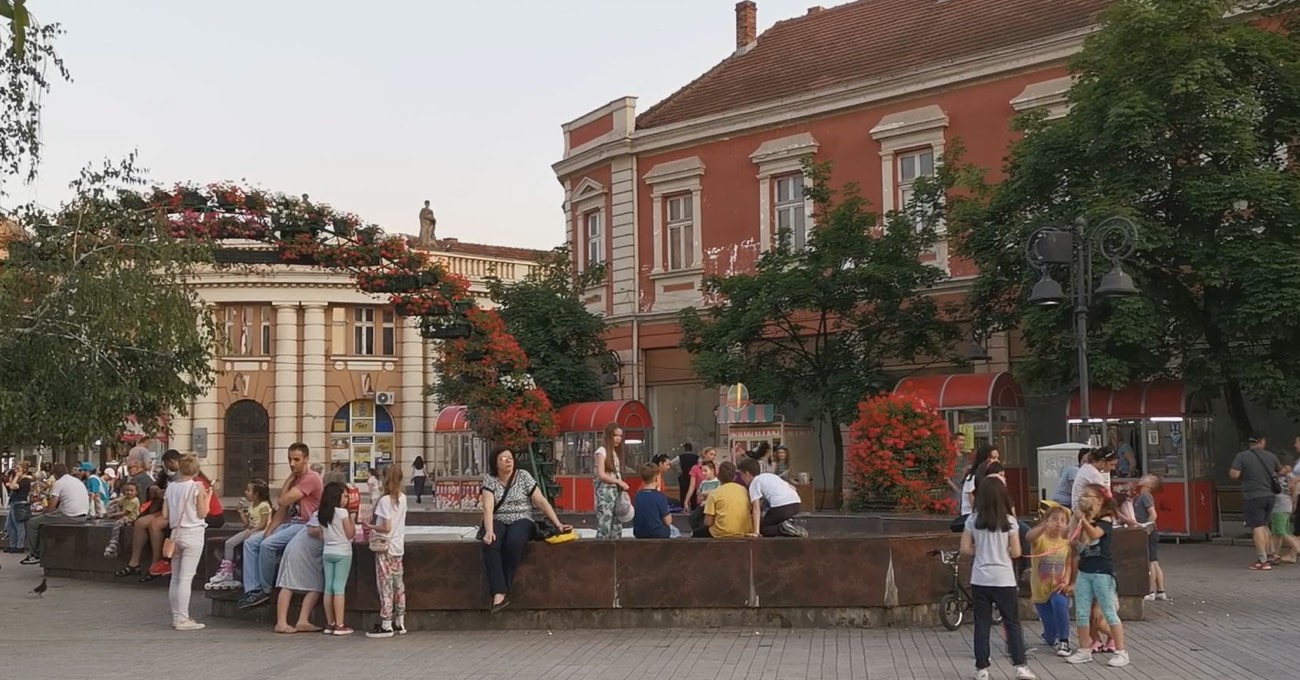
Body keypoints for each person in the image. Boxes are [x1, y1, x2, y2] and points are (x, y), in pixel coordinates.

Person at [961, 476, 1035, 680]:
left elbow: (965, 548)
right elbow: (1016, 552)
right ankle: (1020, 666)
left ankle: (982, 669)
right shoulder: (1010, 522)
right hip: (1004, 579)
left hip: (980, 579)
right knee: (1012, 623)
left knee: (982, 624)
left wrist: (981, 547)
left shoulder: (972, 520)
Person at [479, 446, 570, 613]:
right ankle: (499, 593)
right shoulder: (490, 479)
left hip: (522, 518)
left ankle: (502, 589)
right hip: (498, 519)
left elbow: (541, 501)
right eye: (503, 459)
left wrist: (558, 524)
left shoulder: (523, 476)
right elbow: (488, 506)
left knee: (514, 542)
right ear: (495, 463)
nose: (508, 462)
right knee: (491, 546)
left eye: (510, 458)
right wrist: (489, 531)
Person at [239, 442, 324, 609]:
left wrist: (289, 479)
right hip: (289, 523)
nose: (292, 463)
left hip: (305, 525)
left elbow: (282, 500)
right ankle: (252, 589)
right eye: (290, 459)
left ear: (306, 459)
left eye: (297, 459)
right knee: (251, 543)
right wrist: (269, 530)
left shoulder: (311, 479)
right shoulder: (296, 478)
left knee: (267, 545)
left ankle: (265, 589)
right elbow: (282, 510)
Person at [1063, 483, 1130, 667]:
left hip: (1102, 572)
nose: (1083, 499)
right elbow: (1076, 541)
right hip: (1085, 571)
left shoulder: (1106, 519)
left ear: (1099, 500)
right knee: (1081, 612)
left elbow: (1093, 535)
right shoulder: (1084, 519)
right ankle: (1084, 649)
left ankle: (1121, 651)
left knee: (1108, 612)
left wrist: (1083, 520)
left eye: (1087, 495)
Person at [161, 453, 211, 631]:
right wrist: (208, 497)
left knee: (175, 578)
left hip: (175, 534)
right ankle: (183, 619)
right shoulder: (197, 486)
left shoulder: (171, 487)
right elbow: (203, 513)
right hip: (193, 533)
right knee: (186, 578)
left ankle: (176, 615)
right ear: (196, 469)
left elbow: (165, 515)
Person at [365, 465, 411, 637]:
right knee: (399, 584)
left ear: (384, 478)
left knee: (385, 584)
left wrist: (370, 526)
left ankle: (386, 623)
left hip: (385, 547)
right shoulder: (404, 498)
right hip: (398, 547)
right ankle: (400, 621)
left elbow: (386, 526)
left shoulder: (384, 500)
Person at [1229, 432, 1282, 570]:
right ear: (1262, 441)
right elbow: (1281, 471)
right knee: (1264, 525)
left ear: (1250, 443)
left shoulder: (1242, 456)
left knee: (1257, 527)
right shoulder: (1271, 456)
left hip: (1253, 496)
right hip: (1270, 495)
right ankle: (1272, 554)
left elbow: (1234, 474)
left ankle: (1262, 560)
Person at [1026, 504, 1073, 657]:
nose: (1059, 523)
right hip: (1040, 588)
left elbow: (1069, 563)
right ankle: (1049, 634)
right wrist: (1043, 526)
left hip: (1057, 586)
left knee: (1060, 604)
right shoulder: (1040, 540)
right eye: (1054, 519)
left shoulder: (1067, 542)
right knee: (1050, 634)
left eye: (1062, 520)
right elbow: (1029, 536)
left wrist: (1066, 580)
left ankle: (1064, 641)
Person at [207, 479, 271, 590]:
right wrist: (241, 513)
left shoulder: (264, 506)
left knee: (248, 543)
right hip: (250, 530)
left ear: (256, 494)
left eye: (248, 490)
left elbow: (263, 524)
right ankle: (227, 571)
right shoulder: (251, 505)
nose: (245, 492)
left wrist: (252, 531)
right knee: (229, 543)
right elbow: (247, 523)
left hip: (260, 531)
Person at [21, 463, 89, 565]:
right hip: (83, 515)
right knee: (44, 519)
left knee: (33, 523)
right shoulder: (76, 481)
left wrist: (43, 512)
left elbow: (51, 507)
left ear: (55, 474)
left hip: (69, 516)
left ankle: (34, 554)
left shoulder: (59, 483)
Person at [314, 481, 356, 635]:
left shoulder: (321, 514)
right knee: (339, 588)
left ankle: (330, 623)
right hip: (343, 552)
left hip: (327, 551)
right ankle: (340, 624)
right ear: (337, 497)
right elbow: (350, 534)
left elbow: (320, 535)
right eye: (345, 496)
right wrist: (352, 518)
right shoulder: (343, 513)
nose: (347, 499)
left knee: (328, 587)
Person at [736, 457, 807, 537]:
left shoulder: (754, 483)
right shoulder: (769, 475)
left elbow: (756, 508)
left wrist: (756, 532)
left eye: (741, 474)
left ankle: (782, 528)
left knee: (764, 528)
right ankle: (789, 525)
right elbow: (793, 488)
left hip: (781, 507)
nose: (741, 478)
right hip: (796, 503)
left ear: (747, 474)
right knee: (773, 519)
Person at [593, 422, 629, 540]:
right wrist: (618, 481)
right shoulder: (602, 451)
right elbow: (601, 474)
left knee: (617, 525)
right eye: (615, 435)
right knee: (605, 524)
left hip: (616, 492)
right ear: (609, 436)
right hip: (605, 492)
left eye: (620, 436)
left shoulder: (615, 452)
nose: (618, 439)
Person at [1133, 474, 1167, 601]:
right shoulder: (1143, 496)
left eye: (1146, 478)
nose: (1142, 478)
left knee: (1149, 561)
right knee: (1154, 560)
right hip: (1152, 531)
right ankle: (1160, 590)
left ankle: (1150, 590)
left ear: (1150, 485)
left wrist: (1146, 527)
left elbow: (1153, 514)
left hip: (1148, 531)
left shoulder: (1144, 496)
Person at [699, 461, 752, 538]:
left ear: (718, 476)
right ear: (735, 477)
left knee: (696, 534)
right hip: (743, 531)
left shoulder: (714, 493)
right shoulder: (744, 490)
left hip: (720, 533)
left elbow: (708, 522)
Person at [632, 463, 678, 539]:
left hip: (639, 533)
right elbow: (668, 521)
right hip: (658, 533)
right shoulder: (660, 496)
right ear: (656, 478)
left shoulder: (638, 495)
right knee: (676, 532)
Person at [102, 482, 142, 558]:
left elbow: (125, 512)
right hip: (124, 515)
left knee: (118, 523)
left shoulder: (134, 501)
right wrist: (108, 505)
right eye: (127, 490)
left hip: (131, 518)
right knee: (115, 506)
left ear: (136, 492)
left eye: (131, 490)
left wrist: (112, 515)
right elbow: (116, 501)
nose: (129, 492)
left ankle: (114, 542)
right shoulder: (125, 498)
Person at [3, 461, 32, 553]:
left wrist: (16, 476)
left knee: (19, 525)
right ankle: (13, 544)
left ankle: (20, 545)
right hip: (14, 502)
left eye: (18, 468)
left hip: (20, 503)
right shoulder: (20, 479)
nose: (16, 470)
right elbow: (9, 484)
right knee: (9, 525)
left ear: (24, 469)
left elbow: (13, 486)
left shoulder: (26, 480)